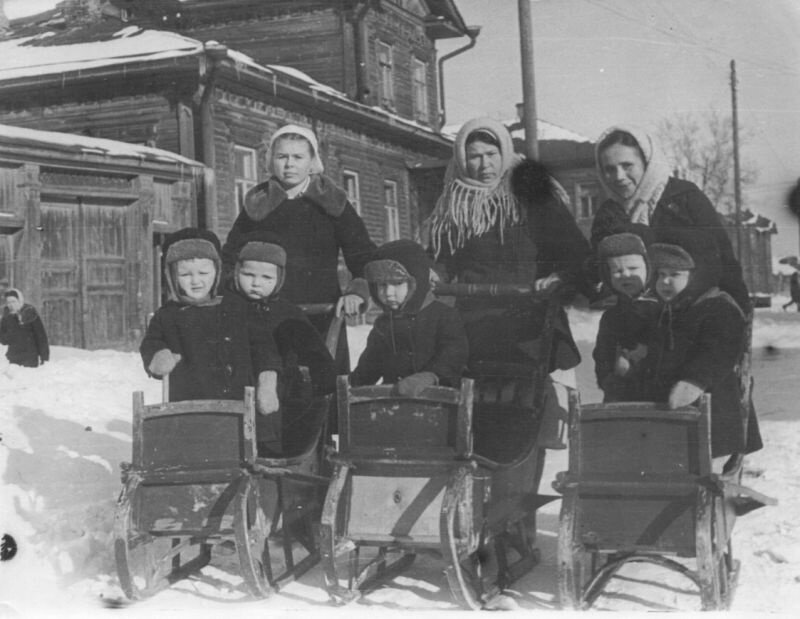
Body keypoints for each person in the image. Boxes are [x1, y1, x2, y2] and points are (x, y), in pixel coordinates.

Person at [425, 117, 593, 373]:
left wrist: (560, 276)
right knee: (477, 401)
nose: (485, 164)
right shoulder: (455, 202)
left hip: (531, 316)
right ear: (462, 158)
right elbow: (442, 257)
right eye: (474, 157)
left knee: (533, 399)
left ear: (504, 150)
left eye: (491, 154)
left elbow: (573, 249)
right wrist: (432, 272)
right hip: (475, 319)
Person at [221, 124, 377, 379]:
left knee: (322, 392)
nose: (289, 164)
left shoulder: (332, 203)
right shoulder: (259, 205)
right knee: (271, 389)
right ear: (271, 161)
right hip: (264, 317)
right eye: (282, 157)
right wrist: (238, 289)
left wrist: (357, 291)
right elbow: (230, 257)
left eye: (298, 157)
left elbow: (363, 256)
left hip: (322, 317)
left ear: (313, 162)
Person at [591, 125, 751, 312]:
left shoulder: (684, 197)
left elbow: (720, 260)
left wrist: (738, 314)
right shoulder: (608, 213)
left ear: (647, 162)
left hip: (695, 315)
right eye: (609, 169)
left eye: (627, 166)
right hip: (636, 319)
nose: (618, 176)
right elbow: (599, 267)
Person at [642, 228, 762, 461]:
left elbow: (718, 350)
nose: (665, 281)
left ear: (695, 276)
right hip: (676, 411)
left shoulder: (717, 306)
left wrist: (694, 380)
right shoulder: (668, 309)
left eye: (675, 274)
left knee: (706, 461)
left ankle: (716, 469)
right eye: (660, 274)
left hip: (713, 406)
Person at [226, 230, 336, 454]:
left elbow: (314, 351)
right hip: (235, 386)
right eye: (249, 275)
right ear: (237, 273)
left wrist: (324, 383)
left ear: (279, 279)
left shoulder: (287, 312)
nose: (256, 284)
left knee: (277, 431)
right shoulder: (228, 307)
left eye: (267, 278)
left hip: (281, 392)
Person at [350, 239, 468, 395]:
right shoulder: (384, 324)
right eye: (382, 285)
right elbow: (372, 362)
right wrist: (353, 383)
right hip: (394, 400)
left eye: (397, 283)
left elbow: (454, 353)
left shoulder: (443, 316)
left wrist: (431, 375)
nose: (388, 292)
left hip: (438, 398)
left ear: (416, 282)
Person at [592, 232, 659, 402]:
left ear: (647, 268)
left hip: (659, 396)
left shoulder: (662, 308)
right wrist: (609, 379)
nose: (626, 275)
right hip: (621, 395)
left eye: (633, 268)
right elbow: (602, 355)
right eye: (617, 271)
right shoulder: (611, 317)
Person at [0, 288, 49, 368]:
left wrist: (44, 358)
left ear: (20, 300)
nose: (11, 305)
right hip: (12, 359)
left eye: (13, 301)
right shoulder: (6, 316)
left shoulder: (29, 312)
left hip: (29, 358)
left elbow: (41, 336)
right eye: (8, 302)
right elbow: (2, 338)